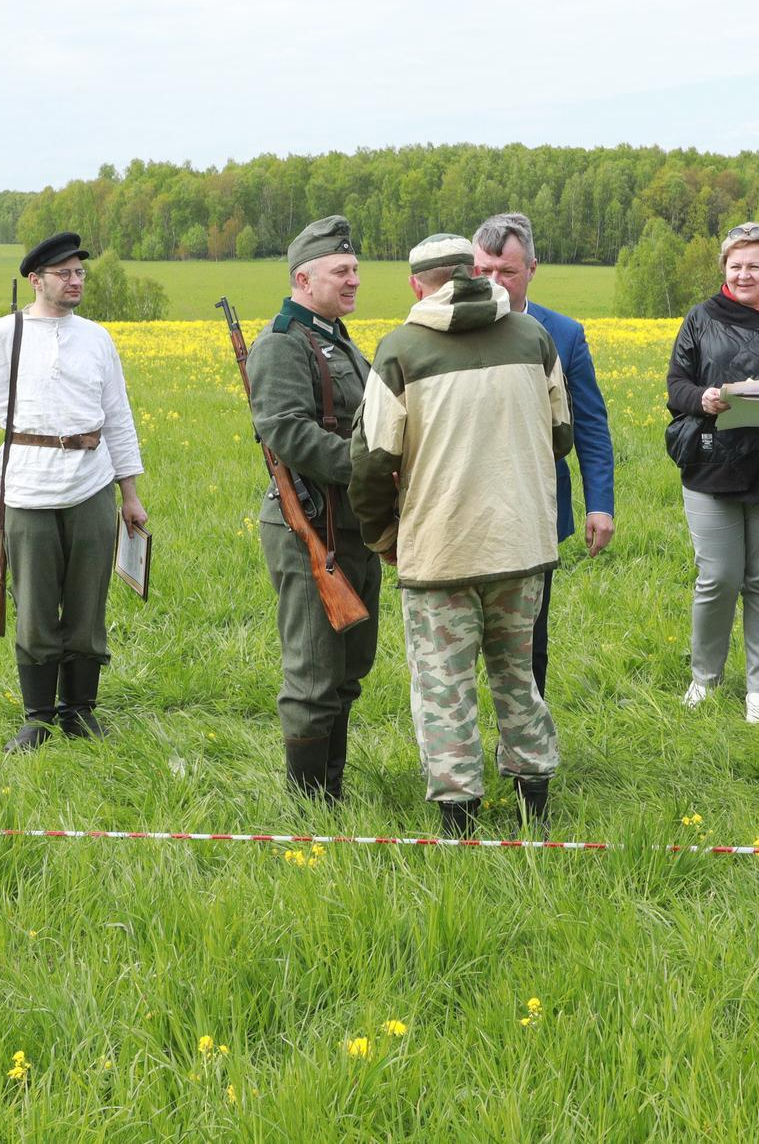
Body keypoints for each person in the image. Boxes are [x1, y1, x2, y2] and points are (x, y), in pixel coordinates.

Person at [350, 234, 572, 835]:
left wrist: (383, 535)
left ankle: (459, 818)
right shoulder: (534, 338)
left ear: (417, 284)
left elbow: (371, 462)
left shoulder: (398, 349)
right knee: (516, 675)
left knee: (443, 686)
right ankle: (535, 799)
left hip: (439, 548)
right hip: (523, 545)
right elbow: (561, 435)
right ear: (476, 274)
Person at [0, 231, 147, 752]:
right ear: (35, 279)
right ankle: (39, 718)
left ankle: (79, 712)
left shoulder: (98, 338)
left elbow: (118, 417)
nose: (75, 281)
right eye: (64, 273)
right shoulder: (1, 336)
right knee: (37, 608)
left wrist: (128, 493)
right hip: (24, 487)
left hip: (91, 486)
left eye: (80, 272)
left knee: (88, 605)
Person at [245, 215, 383, 801]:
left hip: (351, 525)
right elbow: (285, 432)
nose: (354, 280)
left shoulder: (336, 338)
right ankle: (311, 807)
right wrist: (371, 468)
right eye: (341, 271)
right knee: (312, 674)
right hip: (309, 529)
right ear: (304, 278)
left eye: (355, 269)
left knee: (348, 667)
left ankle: (333, 787)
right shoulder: (282, 344)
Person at [665, 221, 759, 722]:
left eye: (755, 265)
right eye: (735, 265)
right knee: (718, 577)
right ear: (724, 268)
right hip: (712, 462)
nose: (744, 273)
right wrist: (703, 398)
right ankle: (704, 680)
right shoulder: (700, 318)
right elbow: (676, 385)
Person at [472, 212, 616, 697]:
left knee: (530, 637)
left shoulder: (564, 334)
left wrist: (600, 504)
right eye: (482, 271)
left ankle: (526, 755)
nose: (493, 282)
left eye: (506, 272)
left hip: (536, 512)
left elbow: (591, 425)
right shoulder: (447, 328)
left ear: (532, 268)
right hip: (466, 511)